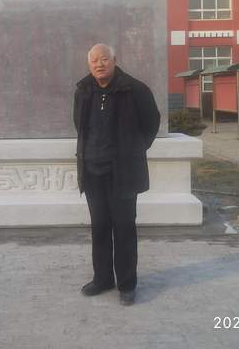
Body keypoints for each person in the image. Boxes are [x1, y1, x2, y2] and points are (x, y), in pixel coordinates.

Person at [73, 43, 160, 306]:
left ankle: (127, 283)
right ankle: (102, 279)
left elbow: (151, 124)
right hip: (92, 171)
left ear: (114, 60)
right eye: (94, 61)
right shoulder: (83, 90)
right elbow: (79, 124)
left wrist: (133, 151)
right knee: (99, 227)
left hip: (123, 172)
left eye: (104, 59)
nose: (99, 64)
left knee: (124, 228)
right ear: (89, 64)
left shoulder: (135, 89)